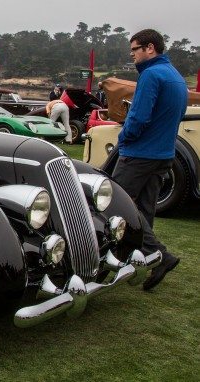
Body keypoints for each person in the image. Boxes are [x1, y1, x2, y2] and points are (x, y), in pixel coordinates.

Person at [112, 29, 188, 291]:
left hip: (140, 154)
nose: (132, 55)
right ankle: (144, 258)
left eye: (134, 49)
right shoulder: (176, 77)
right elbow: (178, 115)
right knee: (145, 209)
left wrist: (125, 137)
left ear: (150, 48)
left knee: (113, 201)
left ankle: (160, 255)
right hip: (165, 153)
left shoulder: (151, 74)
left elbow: (139, 116)